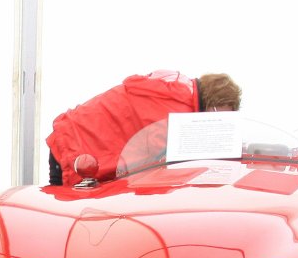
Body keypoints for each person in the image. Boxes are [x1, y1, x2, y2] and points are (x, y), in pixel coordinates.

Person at [46, 71, 241, 186]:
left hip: (69, 135)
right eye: (223, 114)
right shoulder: (178, 114)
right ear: (216, 102)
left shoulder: (176, 90)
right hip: (74, 151)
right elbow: (150, 165)